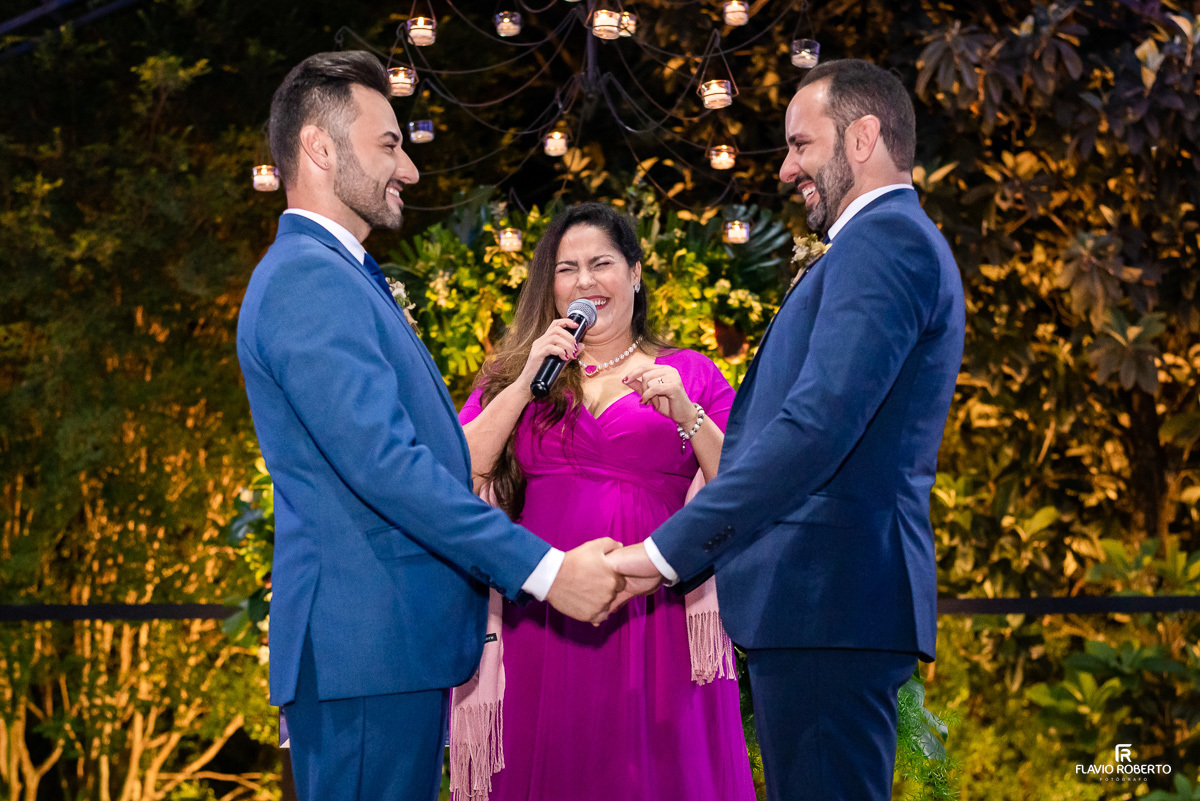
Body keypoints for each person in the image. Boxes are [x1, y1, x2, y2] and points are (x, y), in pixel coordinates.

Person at [236, 52, 625, 801]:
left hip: (386, 656)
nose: (409, 170)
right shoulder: (308, 278)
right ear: (320, 147)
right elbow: (392, 469)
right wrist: (547, 571)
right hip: (364, 655)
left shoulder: (337, 273)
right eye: (389, 144)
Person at [610, 59, 967, 801]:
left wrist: (663, 553)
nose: (786, 168)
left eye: (802, 144)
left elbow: (814, 427)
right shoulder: (885, 243)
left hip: (827, 598)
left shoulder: (885, 242)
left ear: (863, 136)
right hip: (827, 605)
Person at [453, 202, 756, 801]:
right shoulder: (519, 372)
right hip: (542, 605)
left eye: (602, 264)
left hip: (655, 611)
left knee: (652, 771)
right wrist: (522, 379)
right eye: (567, 269)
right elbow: (457, 474)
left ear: (636, 274)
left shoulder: (690, 373)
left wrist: (690, 418)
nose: (585, 282)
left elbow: (744, 491)